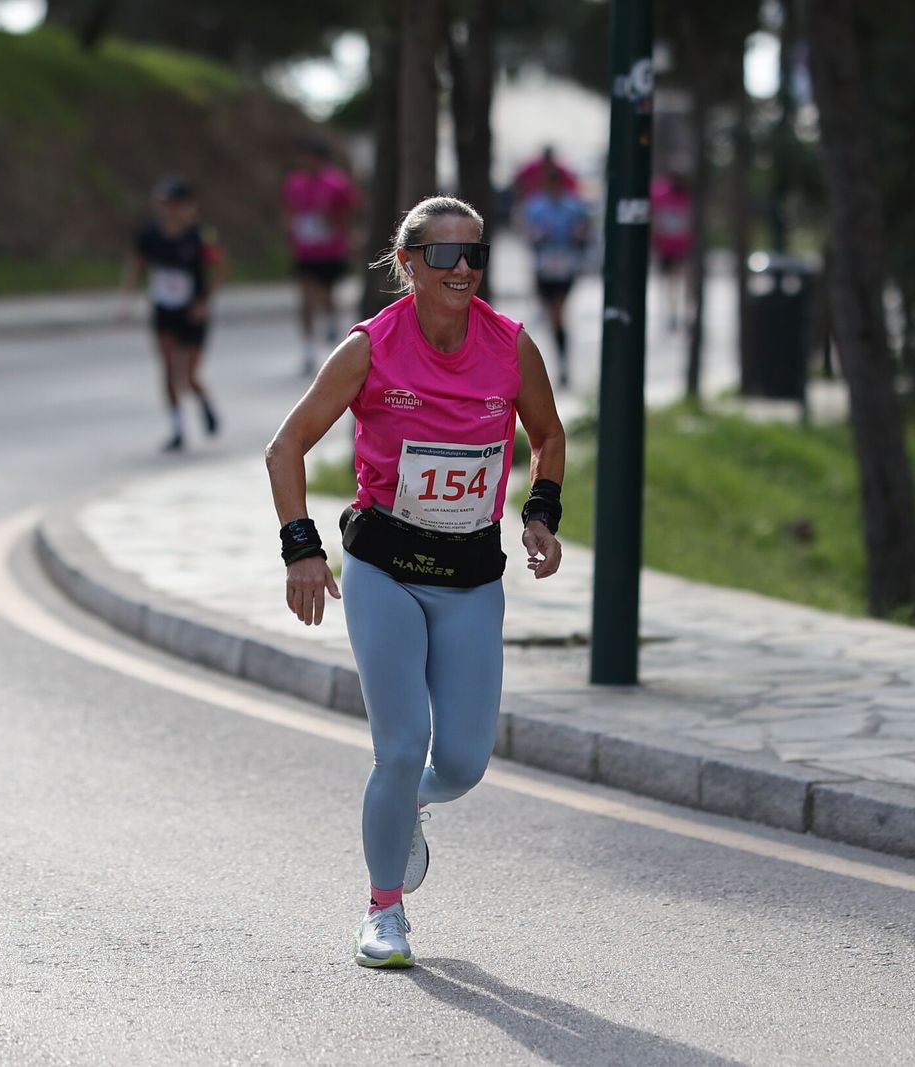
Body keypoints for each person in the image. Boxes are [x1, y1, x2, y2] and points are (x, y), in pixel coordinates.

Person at [264, 196, 566, 969]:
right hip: (385, 571)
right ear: (409, 265)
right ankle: (383, 911)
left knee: (461, 762)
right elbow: (286, 446)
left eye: (475, 255)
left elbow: (549, 434)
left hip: (470, 575)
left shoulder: (510, 346)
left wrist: (540, 512)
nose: (463, 268)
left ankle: (412, 806)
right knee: (400, 748)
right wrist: (303, 548)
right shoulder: (370, 348)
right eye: (444, 256)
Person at [120, 177, 223, 452]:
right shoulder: (149, 235)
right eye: (164, 204)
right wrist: (127, 299)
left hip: (192, 312)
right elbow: (136, 264)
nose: (168, 210)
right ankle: (177, 428)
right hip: (164, 309)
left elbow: (220, 268)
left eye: (174, 204)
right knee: (167, 368)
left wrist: (204, 302)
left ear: (185, 206)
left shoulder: (200, 235)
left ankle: (204, 404)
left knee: (188, 375)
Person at [283, 138, 360, 376]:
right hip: (305, 250)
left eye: (315, 158)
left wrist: (337, 224)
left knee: (327, 295)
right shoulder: (294, 183)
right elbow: (289, 211)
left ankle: (330, 324)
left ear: (324, 160)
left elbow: (351, 211)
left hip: (330, 250)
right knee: (306, 298)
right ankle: (307, 350)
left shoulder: (337, 183)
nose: (310, 162)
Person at [520, 169, 591, 388]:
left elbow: (584, 230)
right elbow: (527, 233)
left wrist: (578, 236)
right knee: (552, 317)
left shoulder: (573, 206)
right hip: (544, 268)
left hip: (564, 267)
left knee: (557, 315)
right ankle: (557, 358)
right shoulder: (535, 206)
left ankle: (562, 365)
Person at [650, 171, 695, 334]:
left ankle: (684, 313)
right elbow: (654, 217)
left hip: (684, 247)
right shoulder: (660, 193)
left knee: (683, 283)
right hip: (667, 248)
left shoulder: (689, 195)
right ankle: (674, 315)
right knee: (672, 284)